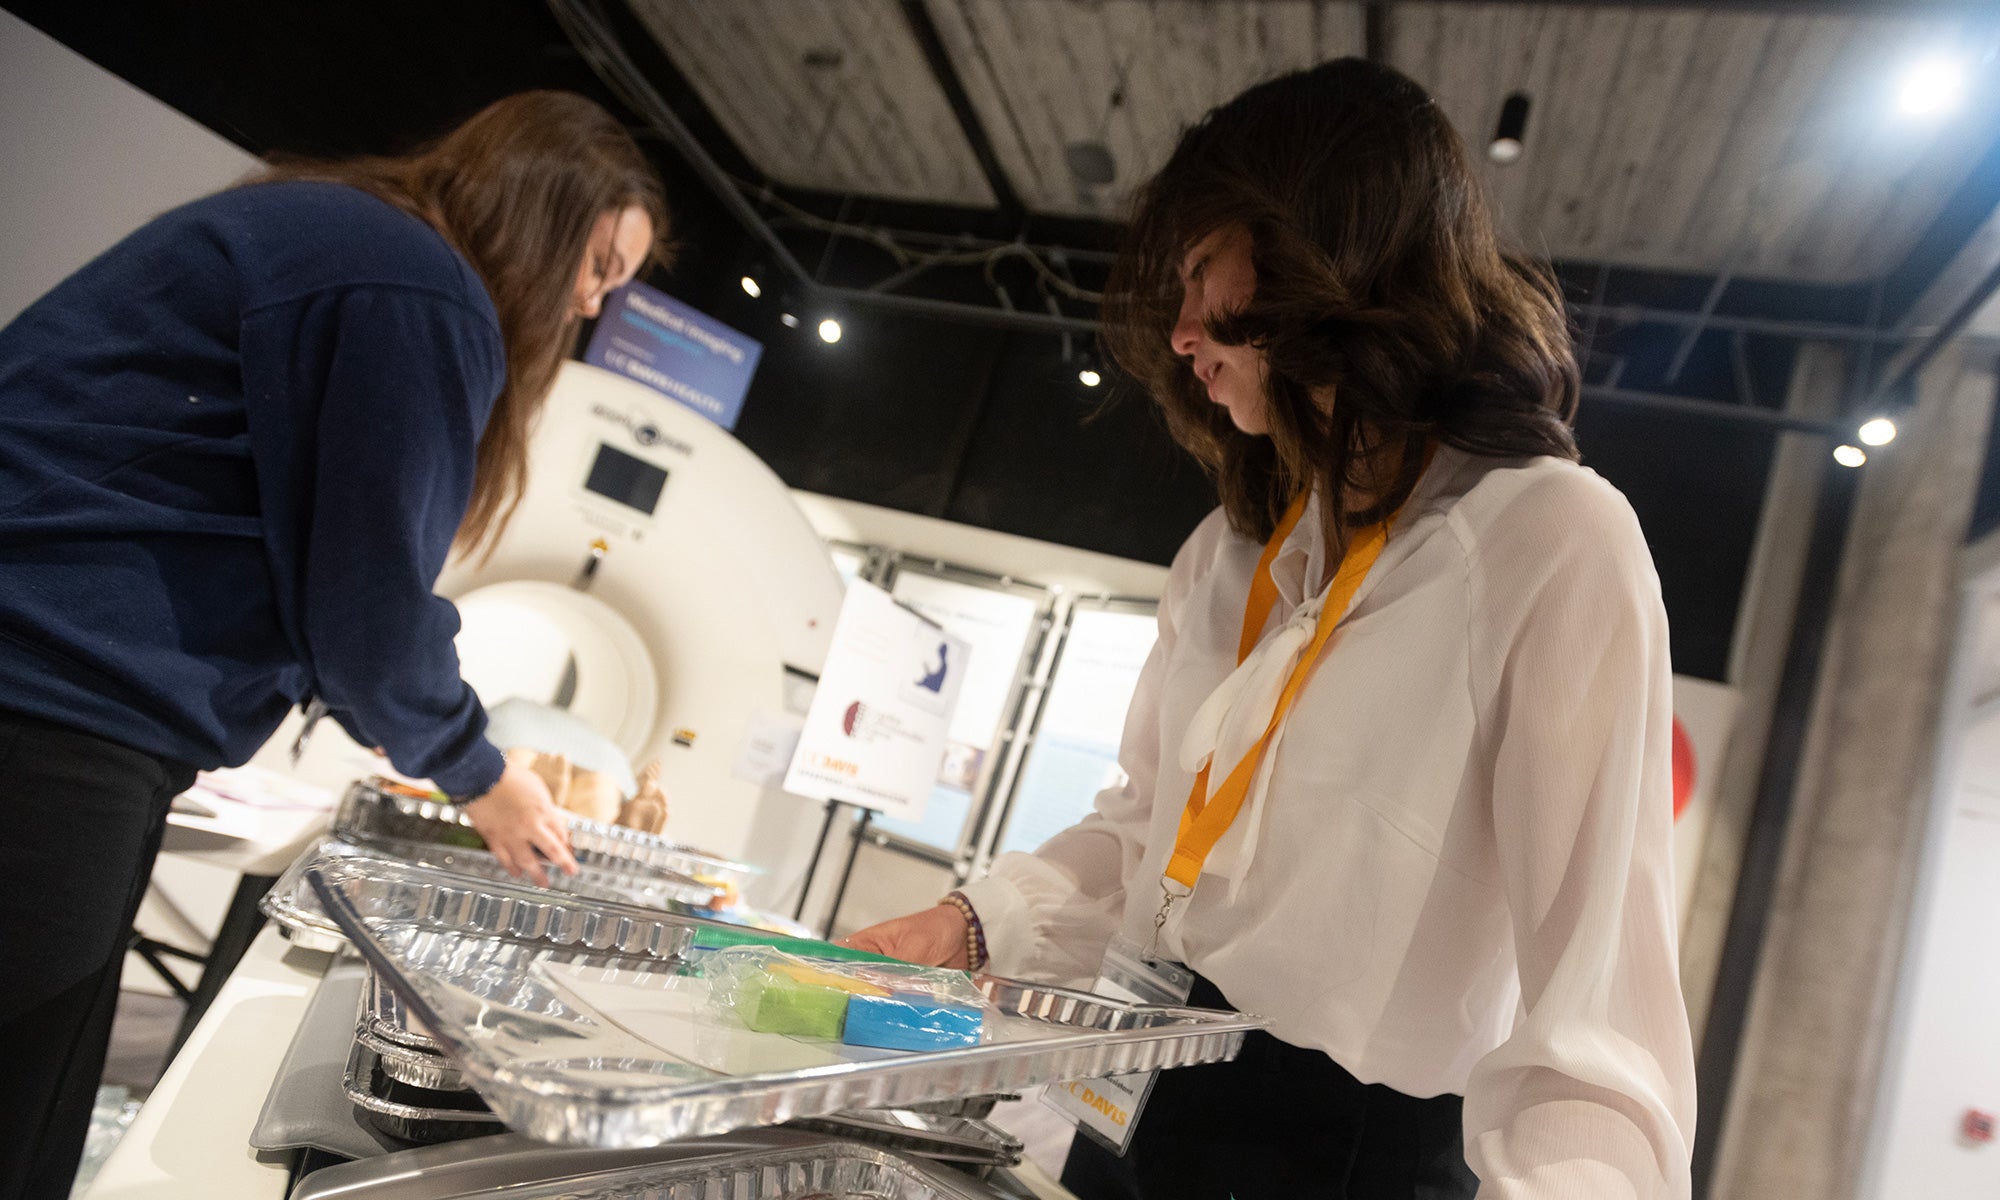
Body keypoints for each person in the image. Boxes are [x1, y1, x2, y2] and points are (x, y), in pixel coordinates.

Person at [845, 59, 1697, 1199]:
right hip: (1131, 1091)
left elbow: (1599, 1008)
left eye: (1203, 273)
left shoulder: (1546, 539)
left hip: (1338, 1152)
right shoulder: (1228, 553)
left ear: (1325, 241)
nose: (1184, 333)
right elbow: (1146, 828)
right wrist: (970, 922)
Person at [0, 91, 667, 1199]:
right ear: (538, 207)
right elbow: (365, 601)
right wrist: (481, 773)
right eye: (598, 262)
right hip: (51, 701)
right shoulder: (418, 289)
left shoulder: (338, 231)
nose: (593, 302)